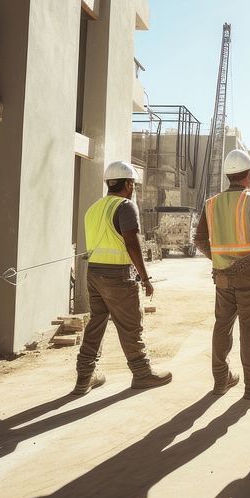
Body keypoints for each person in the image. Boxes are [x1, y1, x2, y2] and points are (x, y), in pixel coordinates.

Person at [74, 161, 172, 395]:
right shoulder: (126, 206)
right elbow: (131, 242)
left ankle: (84, 376)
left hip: (94, 273)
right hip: (117, 274)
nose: (134, 189)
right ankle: (142, 373)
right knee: (130, 325)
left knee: (96, 321)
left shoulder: (94, 208)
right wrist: (145, 277)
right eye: (134, 185)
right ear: (128, 184)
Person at [193, 149, 250, 400]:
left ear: (228, 175)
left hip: (221, 276)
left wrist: (218, 258)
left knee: (222, 326)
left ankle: (221, 380)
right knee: (249, 329)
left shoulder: (211, 203)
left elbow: (199, 239)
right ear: (248, 175)